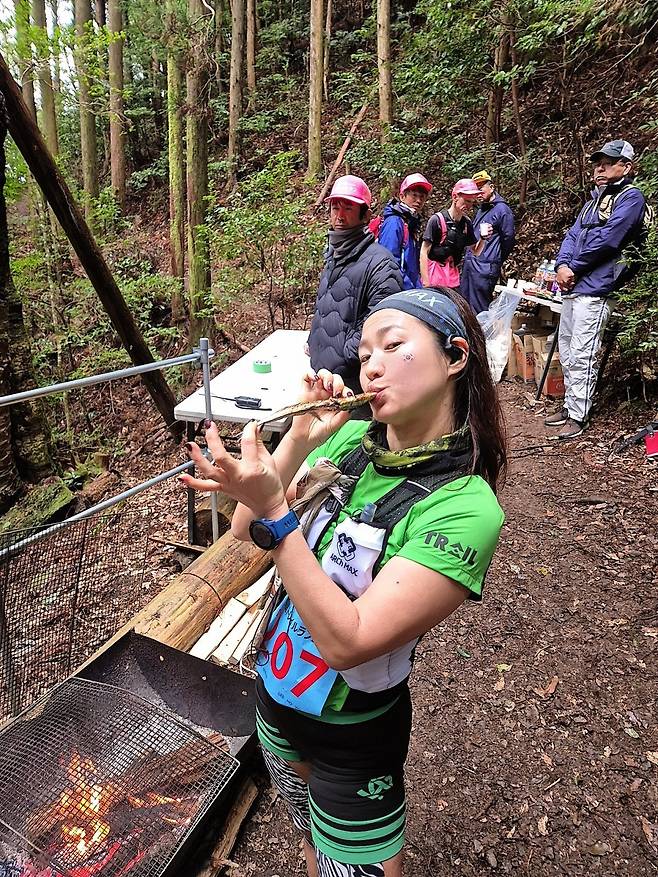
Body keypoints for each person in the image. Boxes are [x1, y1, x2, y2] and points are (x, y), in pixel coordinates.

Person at [182, 287, 506, 877]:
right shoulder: (352, 442)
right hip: (276, 699)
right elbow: (244, 529)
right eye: (363, 354)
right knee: (310, 838)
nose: (370, 366)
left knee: (352, 863)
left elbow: (349, 641)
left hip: (353, 731)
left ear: (456, 357)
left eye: (393, 345)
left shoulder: (465, 507)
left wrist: (278, 513)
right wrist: (301, 436)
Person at [546, 139, 649, 440]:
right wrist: (561, 266)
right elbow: (572, 235)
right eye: (597, 164)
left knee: (583, 351)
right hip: (574, 284)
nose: (599, 169)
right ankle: (569, 405)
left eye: (607, 163)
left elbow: (610, 239)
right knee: (567, 348)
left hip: (598, 287)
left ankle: (578, 415)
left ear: (626, 167)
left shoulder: (631, 198)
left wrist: (574, 268)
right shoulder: (593, 201)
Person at [306, 175, 403, 395]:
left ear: (366, 215)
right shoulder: (334, 254)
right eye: (335, 208)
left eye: (348, 208)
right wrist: (313, 341)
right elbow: (327, 307)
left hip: (353, 385)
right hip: (322, 380)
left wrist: (344, 357)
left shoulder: (381, 263)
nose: (339, 216)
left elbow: (381, 323)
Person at [459, 170, 516, 314]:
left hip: (485, 266)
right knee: (464, 305)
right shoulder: (481, 209)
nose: (478, 192)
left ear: (491, 187)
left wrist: (495, 259)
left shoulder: (502, 210)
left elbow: (508, 239)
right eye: (476, 189)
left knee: (480, 308)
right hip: (470, 264)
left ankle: (481, 330)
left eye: (481, 187)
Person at [420, 179, 491, 291]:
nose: (469, 206)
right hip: (434, 277)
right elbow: (424, 252)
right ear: (455, 197)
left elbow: (475, 251)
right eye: (466, 201)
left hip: (452, 278)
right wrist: (426, 283)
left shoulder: (466, 223)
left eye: (472, 202)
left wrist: (483, 238)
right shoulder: (437, 220)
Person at [376, 173, 432, 289]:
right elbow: (389, 262)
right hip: (398, 289)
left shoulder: (410, 223)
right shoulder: (394, 222)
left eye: (422, 197)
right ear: (402, 196)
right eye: (414, 195)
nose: (418, 200)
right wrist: (410, 289)